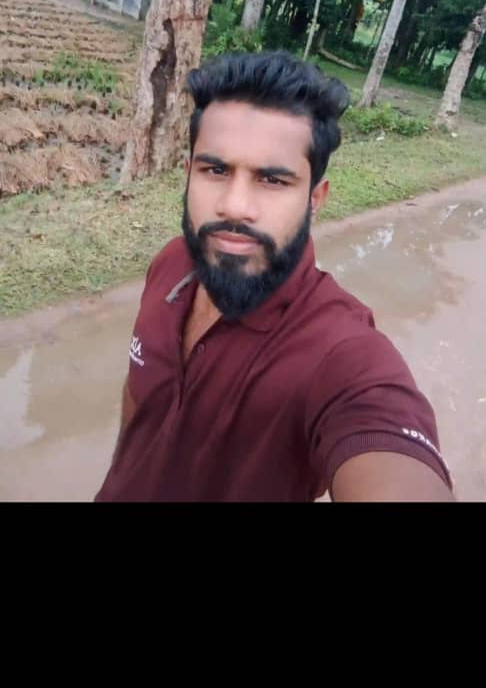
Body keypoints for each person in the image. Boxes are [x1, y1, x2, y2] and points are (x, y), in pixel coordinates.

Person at [95, 51, 453, 503]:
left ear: (315, 198)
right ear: (188, 175)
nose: (234, 206)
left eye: (273, 180)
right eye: (215, 170)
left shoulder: (342, 353)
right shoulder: (171, 264)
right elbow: (139, 400)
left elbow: (384, 442)